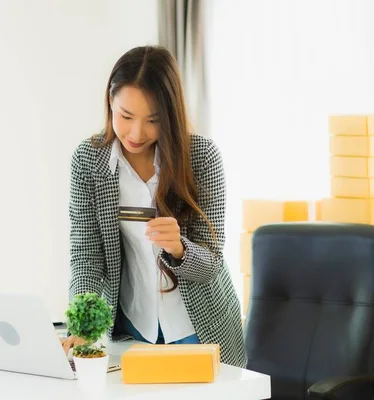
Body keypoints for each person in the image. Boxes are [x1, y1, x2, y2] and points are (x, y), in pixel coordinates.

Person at [62, 45, 246, 367]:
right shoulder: (88, 161)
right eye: (126, 116)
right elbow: (87, 258)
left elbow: (212, 262)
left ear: (170, 115)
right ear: (110, 101)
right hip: (134, 328)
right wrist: (84, 325)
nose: (136, 133)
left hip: (199, 329)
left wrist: (180, 249)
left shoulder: (202, 158)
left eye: (153, 120)